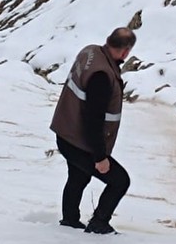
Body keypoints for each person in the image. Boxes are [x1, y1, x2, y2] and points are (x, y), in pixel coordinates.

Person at [50, 27, 136, 235]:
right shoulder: (102, 75)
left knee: (79, 176)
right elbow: (93, 119)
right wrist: (100, 156)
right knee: (119, 181)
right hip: (79, 140)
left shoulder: (90, 52)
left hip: (65, 131)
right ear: (125, 51)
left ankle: (70, 221)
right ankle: (99, 223)